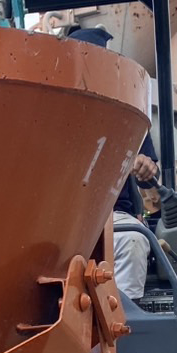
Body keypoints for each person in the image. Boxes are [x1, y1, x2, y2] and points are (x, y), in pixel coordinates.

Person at [67, 25, 160, 300]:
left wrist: (146, 167)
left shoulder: (128, 117)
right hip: (63, 217)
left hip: (114, 215)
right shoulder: (56, 114)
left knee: (132, 240)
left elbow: (151, 177)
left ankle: (124, 315)